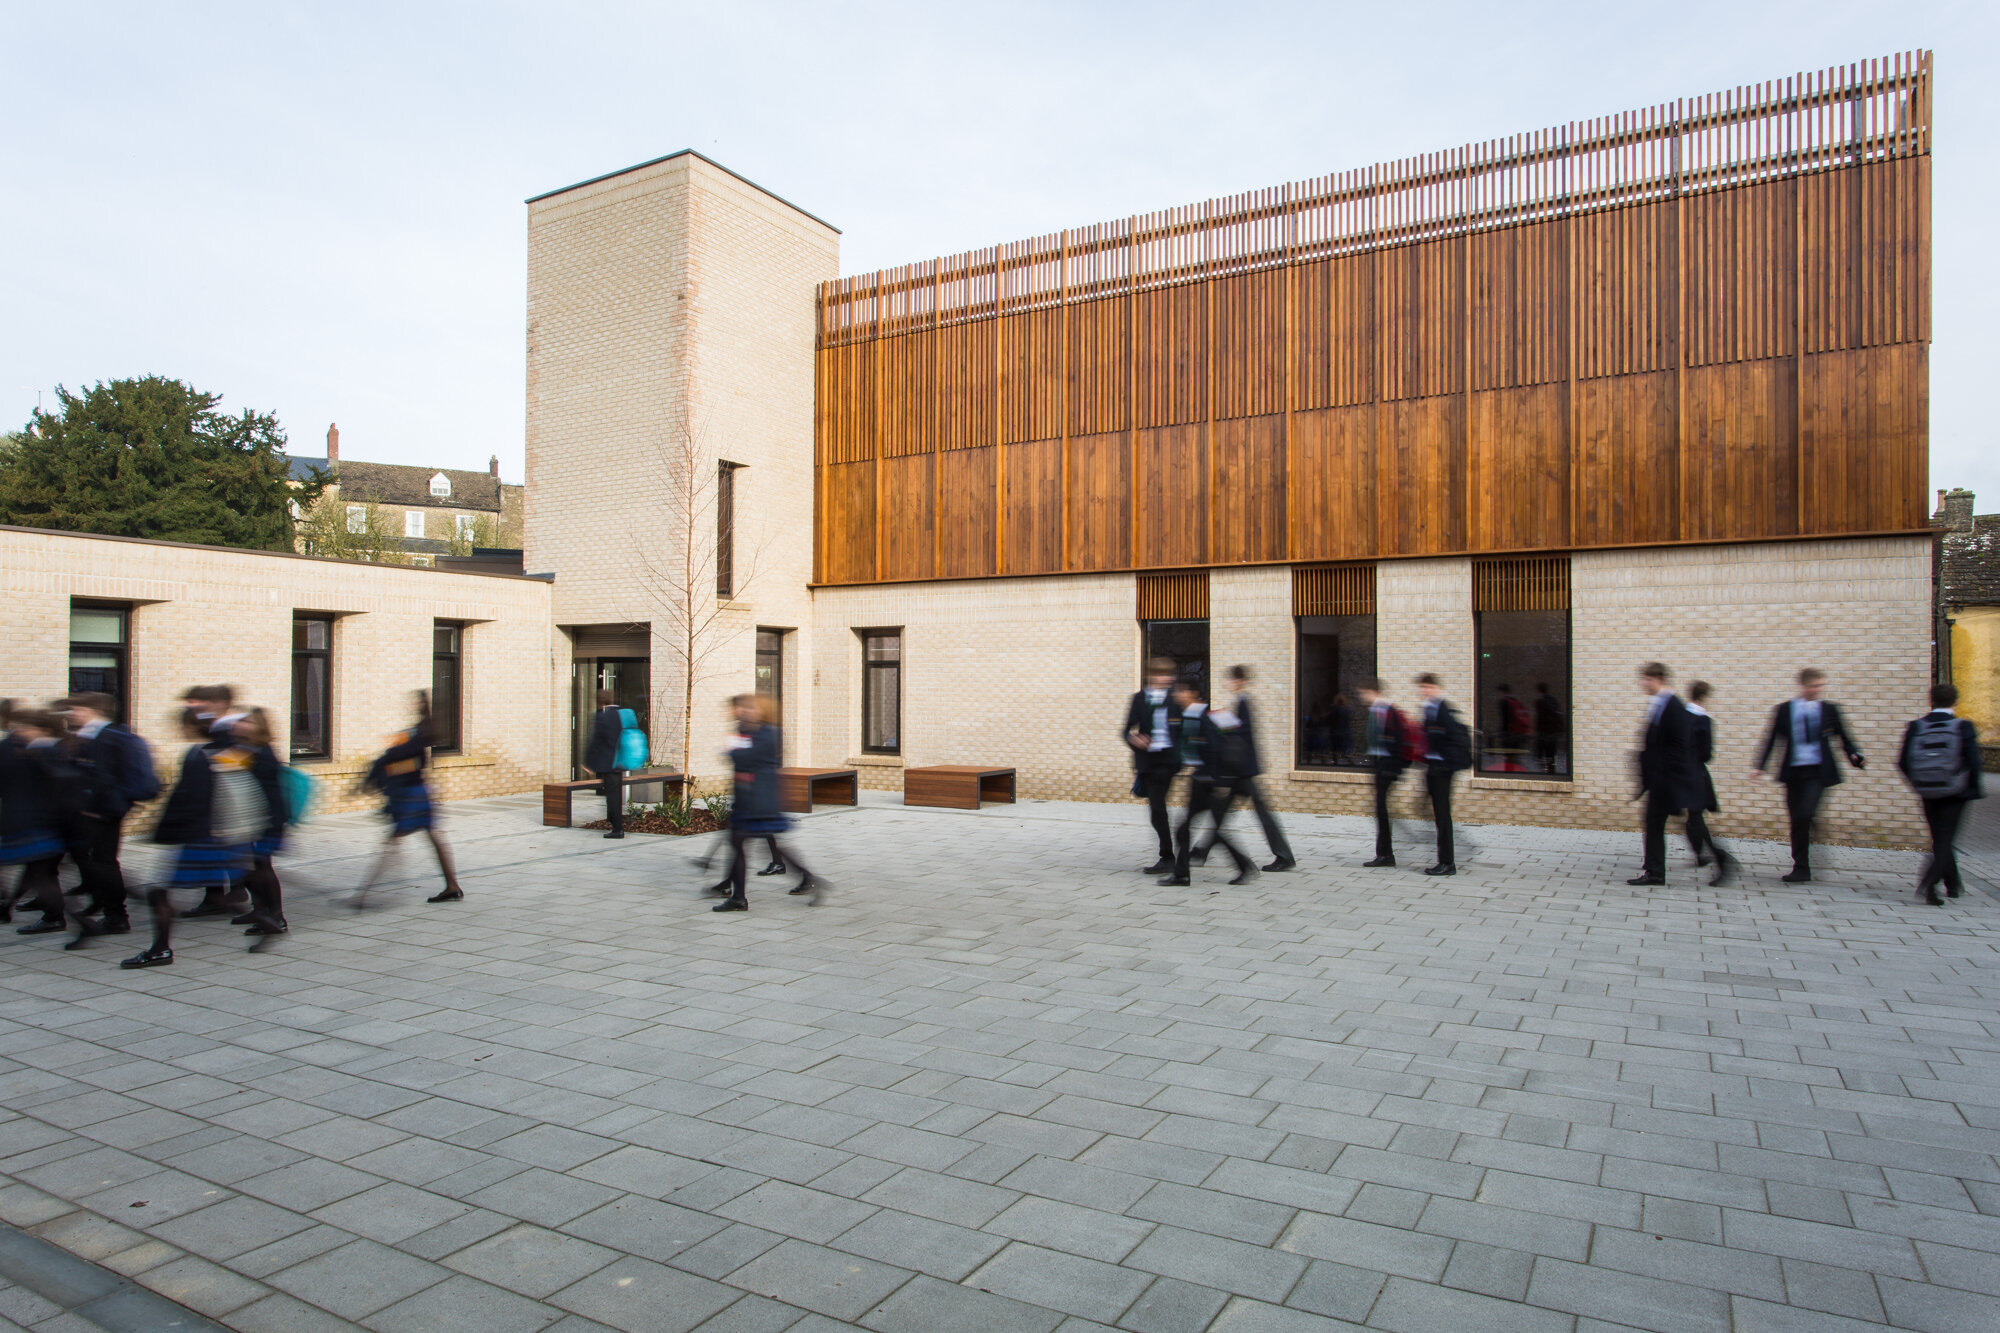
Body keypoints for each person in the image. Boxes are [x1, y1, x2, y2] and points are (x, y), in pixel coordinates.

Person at [123, 708, 262, 969]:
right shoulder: (230, 753)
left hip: (201, 836)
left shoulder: (198, 755)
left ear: (191, 728)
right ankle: (268, 922)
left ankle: (160, 949)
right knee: (245, 879)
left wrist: (166, 831)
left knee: (157, 891)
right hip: (227, 834)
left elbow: (189, 799)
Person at [713, 694, 826, 912]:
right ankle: (807, 879)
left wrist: (732, 749)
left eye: (751, 709)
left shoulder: (769, 734)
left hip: (758, 800)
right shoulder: (751, 731)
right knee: (747, 845)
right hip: (750, 799)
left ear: (762, 711)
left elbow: (743, 759)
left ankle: (738, 897)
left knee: (741, 845)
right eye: (745, 709)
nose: (746, 712)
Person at [59, 692, 156, 945]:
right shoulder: (98, 735)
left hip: (102, 811)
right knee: (100, 860)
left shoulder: (106, 737)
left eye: (76, 709)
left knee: (103, 862)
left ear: (92, 710)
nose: (72, 714)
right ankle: (108, 908)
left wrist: (98, 807)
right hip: (101, 809)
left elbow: (103, 777)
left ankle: (116, 915)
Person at [1751, 668, 1864, 883]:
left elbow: (1844, 736)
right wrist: (1759, 766)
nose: (1818, 689)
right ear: (1803, 686)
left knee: (1804, 814)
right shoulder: (1785, 710)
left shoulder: (1829, 710)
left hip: (1818, 772)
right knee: (1796, 819)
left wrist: (1854, 754)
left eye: (1821, 685)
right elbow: (1772, 738)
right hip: (1794, 772)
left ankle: (1810, 827)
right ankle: (1801, 867)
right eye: (1814, 685)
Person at [353, 691, 464, 907]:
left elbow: (411, 758)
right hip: (418, 792)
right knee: (429, 838)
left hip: (412, 795)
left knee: (394, 840)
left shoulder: (421, 731)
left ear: (423, 704)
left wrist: (387, 757)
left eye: (417, 701)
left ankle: (362, 896)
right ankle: (452, 885)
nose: (413, 704)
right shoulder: (420, 729)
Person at [1191, 666, 1294, 872]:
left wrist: (1221, 722)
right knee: (1221, 811)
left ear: (1239, 681)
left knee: (1258, 813)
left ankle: (1284, 856)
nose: (1228, 684)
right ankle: (1201, 850)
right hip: (1241, 769)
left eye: (1230, 680)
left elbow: (1242, 733)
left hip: (1242, 770)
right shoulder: (1241, 702)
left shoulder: (1244, 702)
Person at [1160, 680, 1257, 887]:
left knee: (1214, 831)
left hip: (1215, 785)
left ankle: (1245, 866)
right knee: (1185, 829)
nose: (1176, 695)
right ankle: (1182, 875)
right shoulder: (1189, 717)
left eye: (1180, 691)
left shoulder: (1206, 717)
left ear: (1192, 693)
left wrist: (1221, 783)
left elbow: (1217, 751)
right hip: (1201, 781)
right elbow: (1188, 750)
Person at [1897, 682, 1983, 906]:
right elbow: (1974, 761)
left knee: (1940, 839)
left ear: (1930, 701)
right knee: (1946, 839)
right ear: (1955, 702)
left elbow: (1903, 761)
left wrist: (1918, 783)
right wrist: (1973, 788)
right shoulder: (1963, 727)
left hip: (1928, 790)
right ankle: (1928, 882)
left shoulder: (1916, 726)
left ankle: (1953, 885)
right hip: (1956, 791)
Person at [0, 704, 82, 935]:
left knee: (42, 874)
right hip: (43, 822)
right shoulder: (45, 748)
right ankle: (14, 907)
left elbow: (62, 783)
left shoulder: (44, 750)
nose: (19, 731)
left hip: (40, 823)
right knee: (39, 871)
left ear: (39, 728)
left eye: (24, 727)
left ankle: (63, 919)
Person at [1629, 663, 1695, 886]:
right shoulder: (1660, 703)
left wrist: (1667, 775)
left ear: (1658, 679)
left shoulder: (1673, 706)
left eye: (1646, 679)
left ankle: (1656, 872)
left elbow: (1678, 745)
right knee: (1656, 823)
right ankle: (1654, 869)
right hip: (1660, 778)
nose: (1643, 684)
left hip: (1665, 779)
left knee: (1657, 823)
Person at [232, 708, 291, 945]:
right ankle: (261, 911)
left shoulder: (261, 753)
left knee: (263, 867)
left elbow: (261, 789)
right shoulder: (247, 749)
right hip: (251, 819)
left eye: (247, 722)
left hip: (265, 820)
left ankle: (277, 916)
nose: (240, 725)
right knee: (252, 866)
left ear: (258, 726)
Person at [1123, 658, 1184, 874]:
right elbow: (1125, 730)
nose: (1167, 678)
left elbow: (1185, 728)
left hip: (1169, 761)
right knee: (1157, 810)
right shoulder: (1139, 699)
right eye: (1162, 674)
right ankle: (1169, 855)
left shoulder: (1175, 698)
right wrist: (1135, 739)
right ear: (1152, 676)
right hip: (1148, 761)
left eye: (1169, 674)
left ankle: (1168, 856)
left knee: (1159, 808)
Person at [1682, 681, 1737, 885]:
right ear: (1704, 697)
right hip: (1695, 774)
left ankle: (1700, 854)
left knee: (1691, 817)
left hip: (1681, 774)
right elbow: (1707, 754)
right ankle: (1718, 856)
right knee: (1695, 818)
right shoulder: (1703, 720)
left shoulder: (1681, 716)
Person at [1415, 674, 1471, 876]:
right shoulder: (1429, 709)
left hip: (1441, 770)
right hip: (1433, 768)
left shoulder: (1442, 709)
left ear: (1436, 688)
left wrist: (1443, 764)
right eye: (1422, 687)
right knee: (1435, 813)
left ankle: (1447, 862)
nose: (1424, 691)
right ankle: (1446, 860)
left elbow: (1455, 739)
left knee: (1442, 816)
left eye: (1428, 687)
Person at [1357, 679, 1412, 868]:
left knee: (1381, 809)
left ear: (1373, 691)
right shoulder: (1378, 711)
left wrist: (1390, 768)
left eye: (1364, 693)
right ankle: (1385, 853)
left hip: (1387, 767)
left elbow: (1395, 741)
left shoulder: (1386, 711)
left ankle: (1385, 855)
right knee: (1381, 809)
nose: (1361, 697)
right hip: (1382, 766)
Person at [583, 688, 626, 840]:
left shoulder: (602, 716)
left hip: (609, 762)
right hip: (622, 760)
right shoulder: (622, 713)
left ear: (600, 701)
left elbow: (596, 741)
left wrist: (589, 763)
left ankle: (617, 828)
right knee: (616, 794)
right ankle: (615, 823)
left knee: (612, 796)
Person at [1494, 683, 1530, 773]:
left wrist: (1501, 733)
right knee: (1514, 756)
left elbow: (1505, 719)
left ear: (1502, 692)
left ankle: (1510, 773)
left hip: (1510, 733)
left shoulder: (1504, 702)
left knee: (1509, 757)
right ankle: (1516, 772)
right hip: (1519, 733)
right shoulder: (1516, 701)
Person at [1532, 683, 1564, 774]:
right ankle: (1551, 773)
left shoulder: (1540, 701)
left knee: (1538, 756)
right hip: (1553, 733)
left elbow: (1539, 718)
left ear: (1538, 690)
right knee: (1550, 756)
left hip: (1543, 733)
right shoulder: (1553, 700)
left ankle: (1546, 772)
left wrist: (1535, 732)